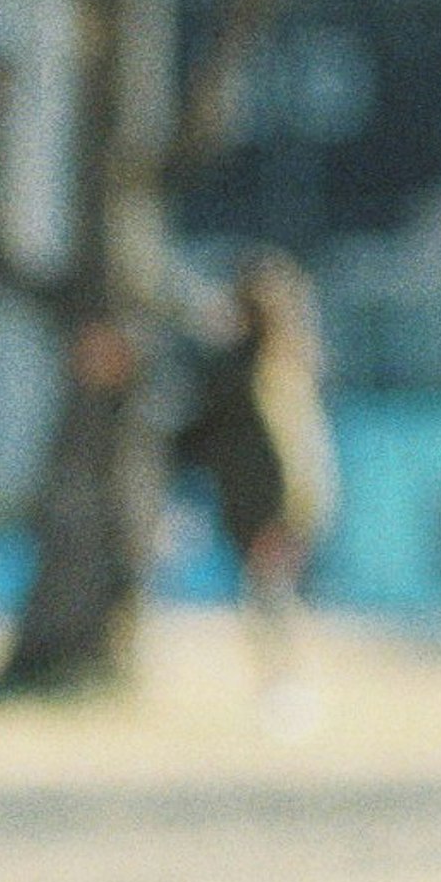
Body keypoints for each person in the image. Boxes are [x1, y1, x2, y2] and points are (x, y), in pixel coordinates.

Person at [172, 250, 336, 708]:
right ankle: (285, 686)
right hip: (292, 501)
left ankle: (284, 688)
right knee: (273, 596)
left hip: (264, 503)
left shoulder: (243, 369)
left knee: (269, 599)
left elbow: (206, 431)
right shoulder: (288, 364)